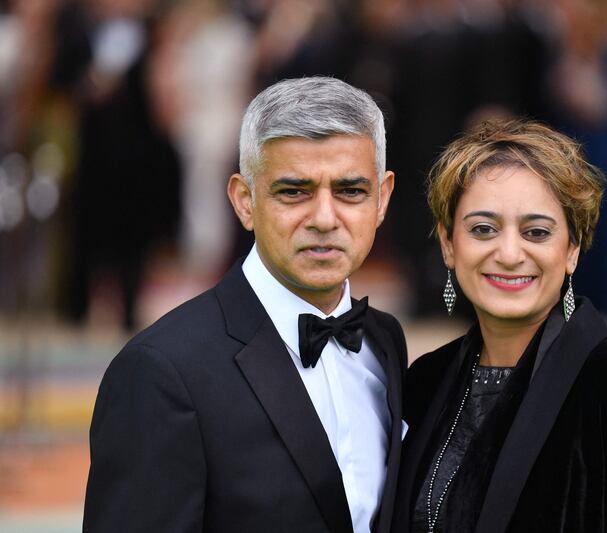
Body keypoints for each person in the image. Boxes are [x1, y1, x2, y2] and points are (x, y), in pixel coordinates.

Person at [84, 77, 407, 533]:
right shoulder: (160, 372)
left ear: (382, 199)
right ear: (244, 201)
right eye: (294, 191)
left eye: (350, 191)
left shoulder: (385, 341)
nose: (323, 218)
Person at [392, 119, 607, 533]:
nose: (510, 253)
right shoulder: (425, 381)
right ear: (449, 244)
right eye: (484, 229)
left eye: (536, 232)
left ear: (572, 249)